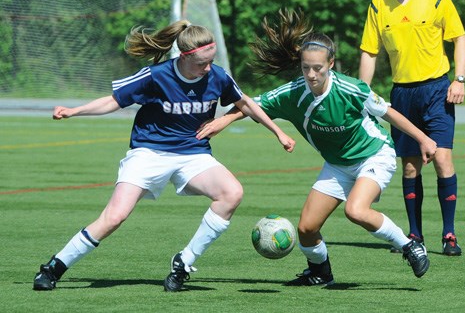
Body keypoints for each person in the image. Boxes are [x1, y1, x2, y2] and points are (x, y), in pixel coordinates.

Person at [32, 20, 296, 292]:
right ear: (184, 56)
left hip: (193, 154)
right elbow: (113, 100)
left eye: (210, 62)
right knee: (114, 216)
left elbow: (246, 103)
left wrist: (278, 132)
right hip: (148, 153)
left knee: (232, 193)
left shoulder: (218, 76)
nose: (207, 68)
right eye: (201, 64)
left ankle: (184, 262)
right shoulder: (155, 76)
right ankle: (54, 267)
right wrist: (74, 111)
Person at [198, 9, 436, 285]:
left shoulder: (351, 89)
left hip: (373, 155)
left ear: (331, 64)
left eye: (318, 68)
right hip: (337, 164)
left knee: (356, 211)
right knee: (307, 228)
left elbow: (389, 113)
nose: (311, 75)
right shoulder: (293, 93)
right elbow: (253, 104)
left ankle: (409, 246)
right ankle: (320, 272)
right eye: (306, 67)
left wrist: (423, 138)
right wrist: (223, 121)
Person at [359, 0, 465, 256]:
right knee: (410, 168)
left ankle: (449, 235)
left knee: (443, 159)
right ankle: (414, 236)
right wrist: (362, 93)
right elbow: (369, 51)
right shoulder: (379, 3)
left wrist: (459, 79)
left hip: (437, 89)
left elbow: (459, 38)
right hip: (402, 94)